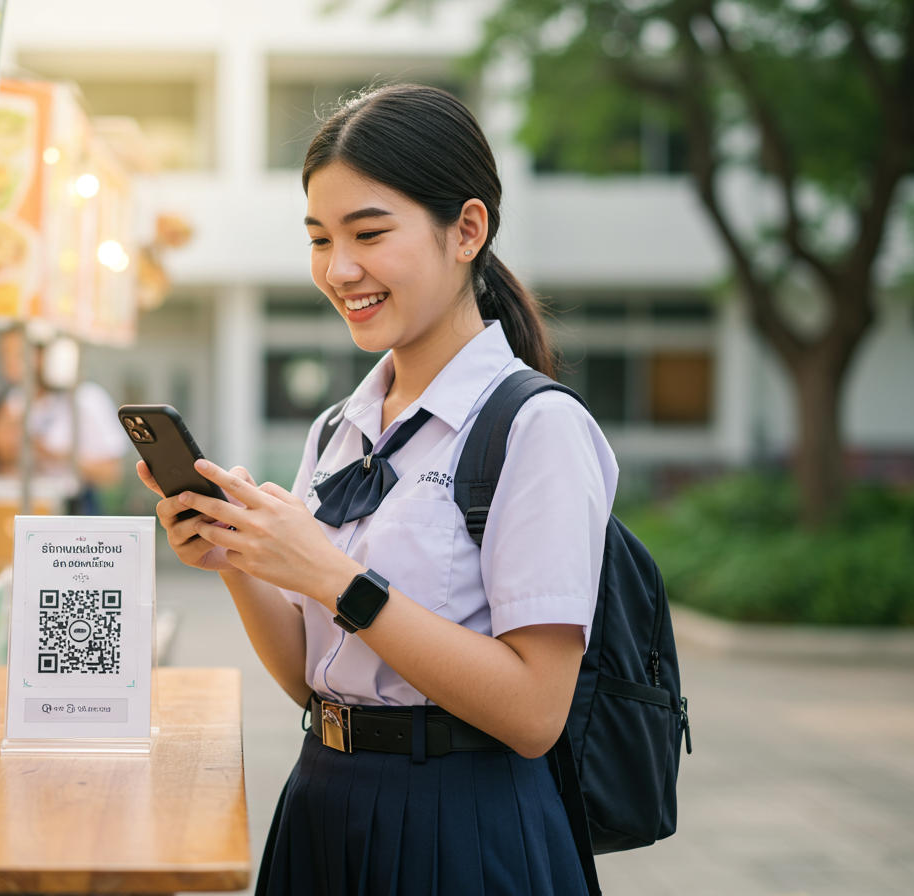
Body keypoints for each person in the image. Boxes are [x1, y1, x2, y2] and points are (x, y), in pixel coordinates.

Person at [136, 85, 617, 895]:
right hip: (324, 800)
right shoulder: (338, 428)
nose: (339, 269)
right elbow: (311, 677)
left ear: (467, 230)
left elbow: (536, 712)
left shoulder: (537, 428)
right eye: (320, 239)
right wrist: (241, 561)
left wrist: (330, 575)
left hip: (465, 826)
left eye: (368, 233)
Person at [0, 326, 127, 515]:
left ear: (45, 354)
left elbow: (111, 473)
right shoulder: (9, 404)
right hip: (22, 506)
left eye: (17, 354)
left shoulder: (86, 400)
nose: (8, 364)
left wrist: (50, 453)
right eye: (3, 355)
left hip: (74, 509)